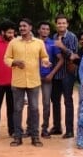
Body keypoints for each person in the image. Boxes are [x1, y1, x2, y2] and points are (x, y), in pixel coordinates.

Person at [5, 18, 50, 147]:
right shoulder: (13, 42)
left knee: (34, 109)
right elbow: (6, 58)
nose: (22, 28)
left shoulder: (39, 43)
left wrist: (45, 62)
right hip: (18, 82)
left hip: (34, 81)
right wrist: (14, 62)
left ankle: (35, 137)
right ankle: (17, 137)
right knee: (17, 109)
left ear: (30, 27)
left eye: (24, 26)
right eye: (20, 26)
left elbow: (44, 56)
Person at [50, 15, 79, 138]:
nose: (61, 25)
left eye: (63, 23)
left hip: (67, 73)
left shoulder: (72, 37)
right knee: (55, 101)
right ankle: (57, 127)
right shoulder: (54, 36)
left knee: (68, 101)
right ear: (56, 24)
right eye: (59, 23)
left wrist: (62, 46)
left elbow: (72, 56)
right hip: (56, 73)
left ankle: (70, 130)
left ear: (67, 24)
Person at [37, 21, 62, 138]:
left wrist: (52, 74)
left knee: (46, 103)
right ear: (38, 30)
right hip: (33, 78)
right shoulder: (33, 43)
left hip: (47, 78)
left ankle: (44, 128)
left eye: (47, 29)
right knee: (33, 104)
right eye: (43, 29)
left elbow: (61, 60)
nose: (45, 31)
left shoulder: (52, 44)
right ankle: (30, 128)